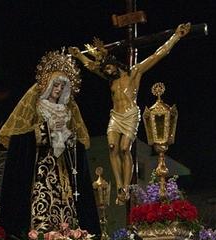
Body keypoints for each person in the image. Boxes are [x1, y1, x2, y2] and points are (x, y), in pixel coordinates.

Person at [71, 23, 190, 204]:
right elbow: (91, 66)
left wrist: (176, 36)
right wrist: (79, 55)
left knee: (125, 148)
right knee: (112, 147)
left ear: (114, 63)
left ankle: (126, 186)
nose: (106, 72)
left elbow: (157, 55)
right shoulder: (110, 80)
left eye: (108, 68)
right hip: (115, 115)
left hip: (130, 114)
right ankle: (119, 185)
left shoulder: (134, 73)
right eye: (105, 71)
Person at [0, 50, 100, 240]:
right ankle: (39, 236)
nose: (58, 89)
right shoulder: (37, 105)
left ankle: (69, 233)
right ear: (48, 84)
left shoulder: (68, 110)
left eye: (62, 86)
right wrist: (47, 129)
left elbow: (77, 142)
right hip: (42, 166)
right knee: (42, 196)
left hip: (63, 167)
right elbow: (21, 137)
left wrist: (67, 135)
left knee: (66, 199)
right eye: (56, 84)